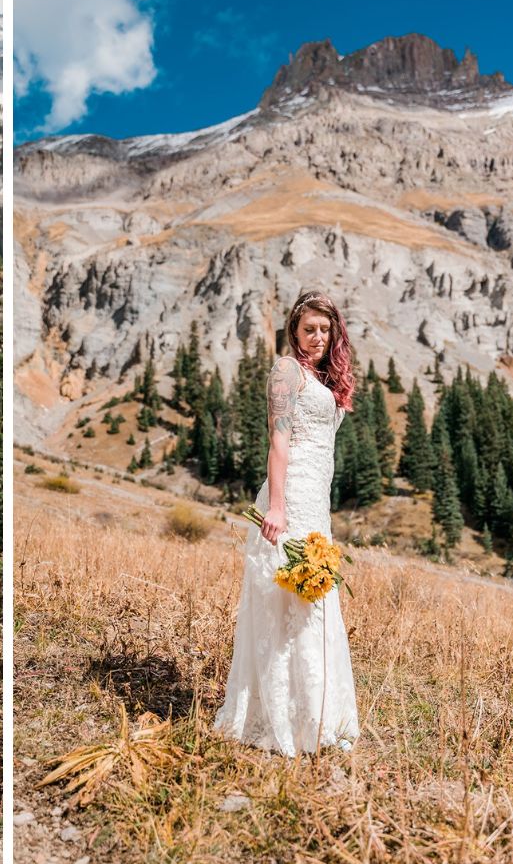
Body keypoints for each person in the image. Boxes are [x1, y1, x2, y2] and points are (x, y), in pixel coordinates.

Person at [214, 291, 361, 755]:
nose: (317, 338)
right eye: (308, 330)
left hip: (317, 502)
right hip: (291, 495)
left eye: (324, 330)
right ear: (294, 333)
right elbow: (278, 442)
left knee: (315, 600)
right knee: (286, 597)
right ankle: (281, 714)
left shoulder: (324, 377)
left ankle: (317, 714)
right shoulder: (286, 370)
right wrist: (276, 507)